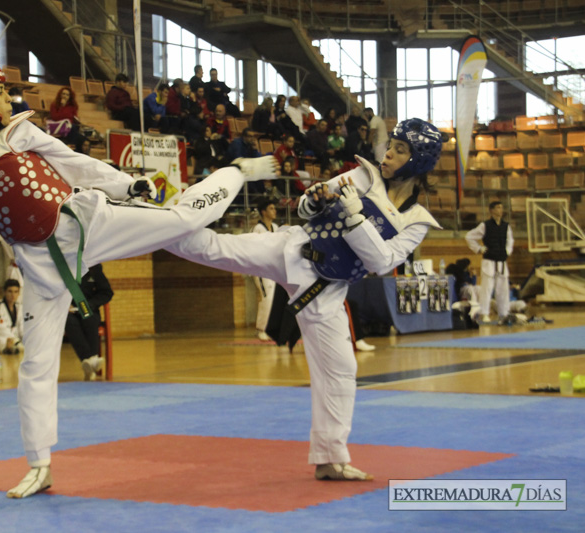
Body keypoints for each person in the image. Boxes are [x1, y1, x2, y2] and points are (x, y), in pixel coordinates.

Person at [0, 58, 278, 499]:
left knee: (183, 220)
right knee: (36, 364)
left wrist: (127, 185)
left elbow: (75, 163)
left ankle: (237, 171)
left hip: (86, 224)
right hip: (40, 267)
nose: (8, 99)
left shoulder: (21, 133)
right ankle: (39, 465)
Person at [166, 118, 444, 482]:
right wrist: (314, 201)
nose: (389, 153)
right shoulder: (362, 176)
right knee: (215, 247)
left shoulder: (417, 220)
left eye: (401, 149)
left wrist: (354, 216)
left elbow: (381, 262)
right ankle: (154, 223)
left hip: (327, 290)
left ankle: (330, 457)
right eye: (391, 144)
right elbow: (302, 208)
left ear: (419, 160)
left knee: (341, 371)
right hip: (294, 248)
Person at [465, 200, 513, 322]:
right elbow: (469, 236)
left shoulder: (506, 226)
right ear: (491, 210)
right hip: (489, 261)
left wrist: (507, 252)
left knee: (503, 289)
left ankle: (504, 313)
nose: (500, 210)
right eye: (497, 208)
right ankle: (484, 313)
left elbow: (510, 241)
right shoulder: (485, 225)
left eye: (501, 207)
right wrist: (479, 249)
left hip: (502, 261)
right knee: (487, 289)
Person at [64, 263, 113, 380]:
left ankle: (88, 363)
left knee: (89, 319)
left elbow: (106, 292)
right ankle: (92, 360)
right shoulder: (63, 268)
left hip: (88, 308)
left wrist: (90, 304)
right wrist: (63, 304)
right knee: (70, 323)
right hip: (68, 311)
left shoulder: (94, 268)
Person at [252, 199, 278, 341]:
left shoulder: (275, 226)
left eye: (274, 208)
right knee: (266, 297)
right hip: (261, 268)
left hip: (273, 267)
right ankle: (261, 328)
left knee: (273, 298)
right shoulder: (258, 229)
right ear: (264, 212)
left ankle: (270, 327)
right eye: (271, 208)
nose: (274, 211)